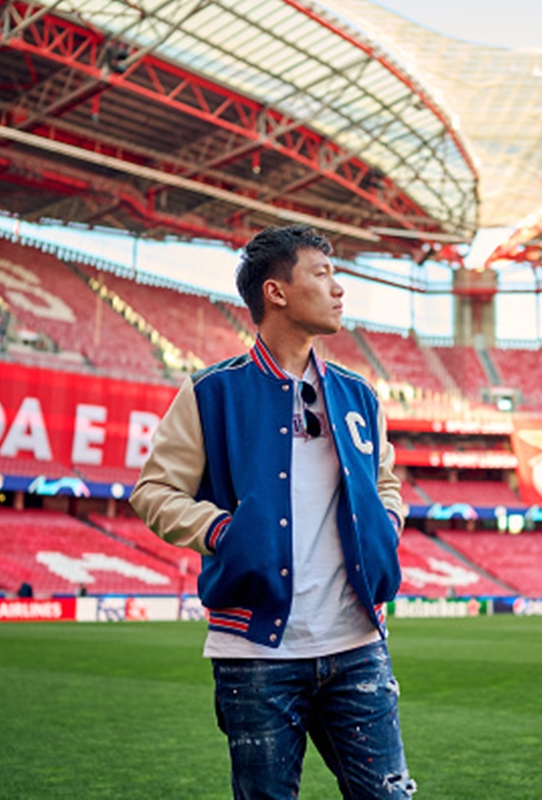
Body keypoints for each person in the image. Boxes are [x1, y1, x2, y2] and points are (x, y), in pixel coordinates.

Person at [130, 225, 414, 799]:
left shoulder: (360, 395)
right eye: (322, 273)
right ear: (276, 292)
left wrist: (387, 524)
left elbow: (386, 482)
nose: (339, 288)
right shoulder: (212, 392)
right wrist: (222, 531)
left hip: (358, 643)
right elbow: (154, 490)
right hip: (256, 651)